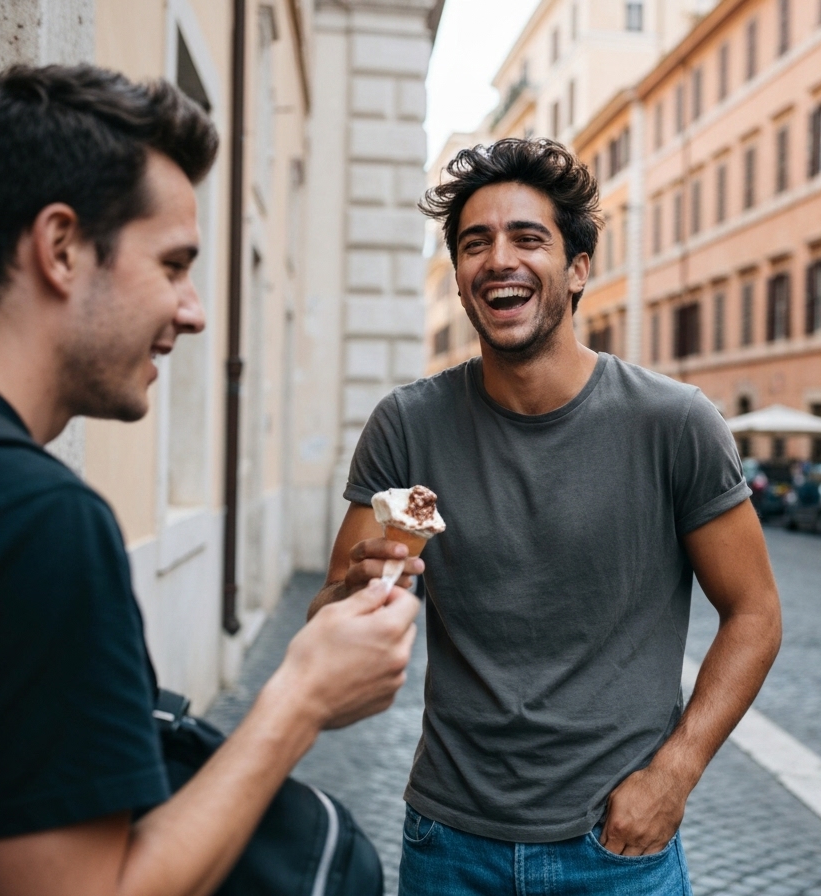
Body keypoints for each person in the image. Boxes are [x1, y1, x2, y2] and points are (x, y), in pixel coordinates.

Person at [308, 138, 783, 894]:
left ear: (578, 268)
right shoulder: (408, 426)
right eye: (475, 243)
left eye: (528, 238)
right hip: (449, 842)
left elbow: (755, 611)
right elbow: (329, 619)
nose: (499, 259)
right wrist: (362, 593)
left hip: (617, 849)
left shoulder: (675, 423)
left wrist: (674, 775)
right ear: (460, 280)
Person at [0, 64, 421, 895]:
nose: (194, 310)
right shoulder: (45, 521)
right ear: (60, 248)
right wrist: (300, 696)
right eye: (173, 264)